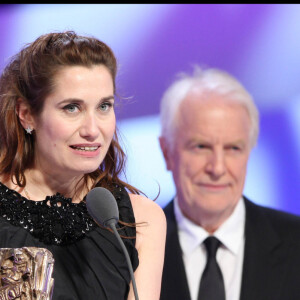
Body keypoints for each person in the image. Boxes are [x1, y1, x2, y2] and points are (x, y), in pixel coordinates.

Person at [0, 31, 166, 300]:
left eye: (104, 106)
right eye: (72, 108)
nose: (92, 130)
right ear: (27, 114)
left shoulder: (142, 220)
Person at [158, 66, 300, 300]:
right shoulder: (128, 252)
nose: (218, 168)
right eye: (201, 147)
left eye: (233, 148)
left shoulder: (296, 244)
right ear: (167, 153)